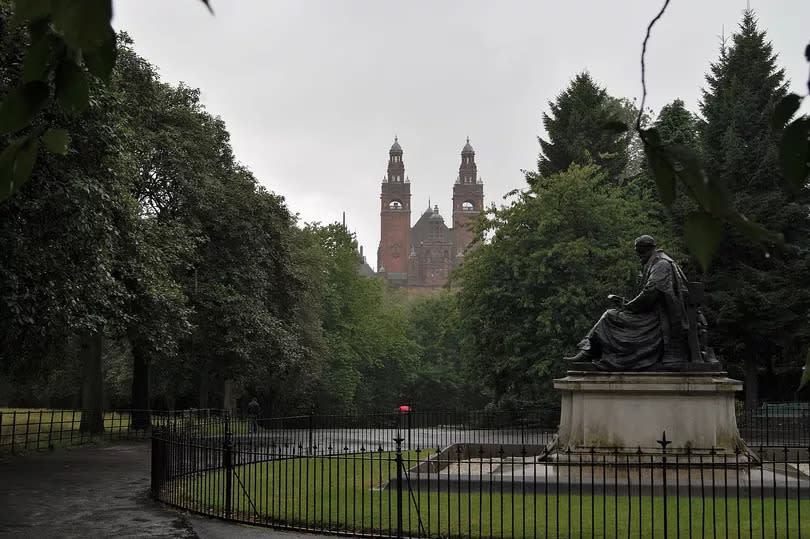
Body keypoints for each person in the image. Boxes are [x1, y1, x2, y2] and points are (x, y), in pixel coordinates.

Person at [564, 235, 690, 370]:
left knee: (609, 316)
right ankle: (588, 350)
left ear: (647, 250)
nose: (638, 256)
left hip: (659, 319)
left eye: (640, 252)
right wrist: (627, 303)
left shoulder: (661, 264)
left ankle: (588, 352)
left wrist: (629, 306)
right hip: (651, 314)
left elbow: (651, 292)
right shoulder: (656, 262)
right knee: (611, 315)